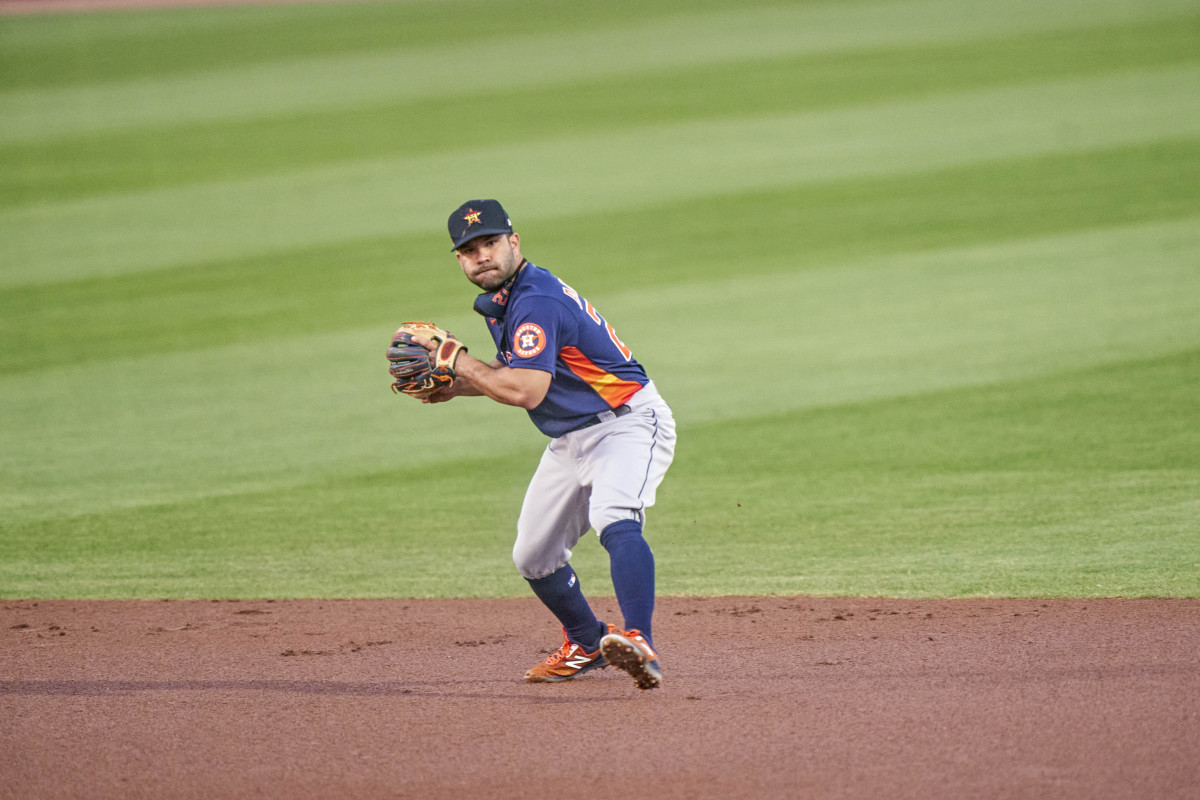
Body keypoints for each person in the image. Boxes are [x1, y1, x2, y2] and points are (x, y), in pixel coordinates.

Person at [416, 198, 676, 691]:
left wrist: (457, 360)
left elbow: (525, 392)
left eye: (490, 242)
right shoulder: (505, 299)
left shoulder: (535, 300)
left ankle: (641, 638)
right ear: (459, 260)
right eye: (469, 250)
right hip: (571, 437)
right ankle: (585, 641)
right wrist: (455, 383)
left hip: (627, 424)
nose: (482, 256)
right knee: (534, 556)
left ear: (514, 242)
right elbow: (517, 375)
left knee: (614, 515)